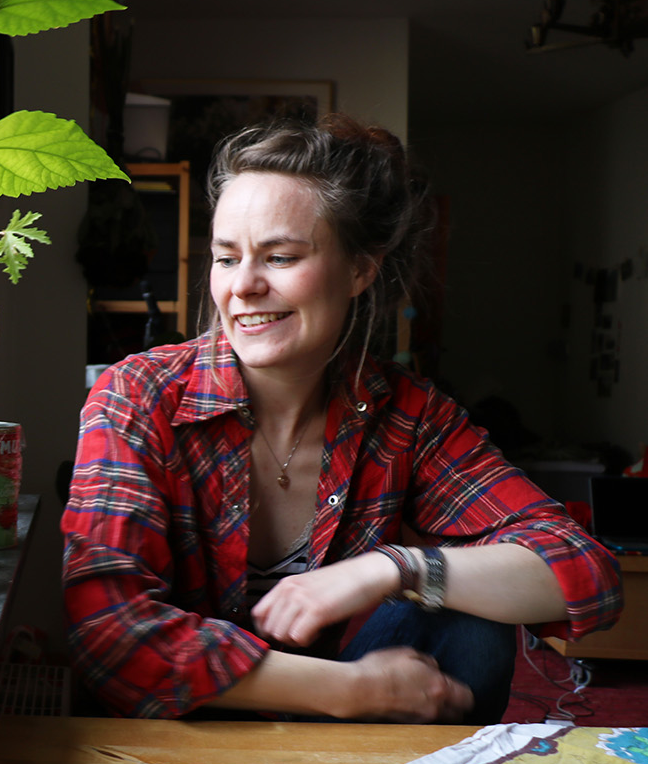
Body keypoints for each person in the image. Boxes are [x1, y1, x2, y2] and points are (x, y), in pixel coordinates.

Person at [62, 114, 622, 725]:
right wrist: (346, 690)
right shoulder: (139, 394)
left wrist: (397, 568)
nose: (243, 286)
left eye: (279, 256)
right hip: (180, 731)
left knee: (459, 609)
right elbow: (109, 636)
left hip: (342, 736)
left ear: (359, 270)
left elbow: (586, 571)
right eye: (226, 259)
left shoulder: (409, 416)